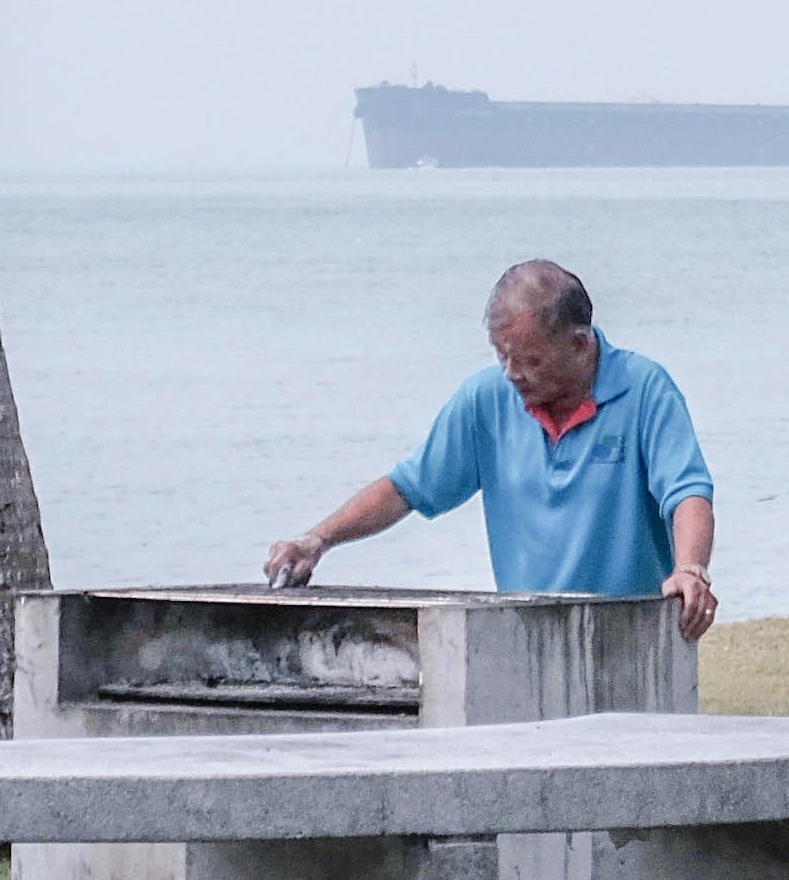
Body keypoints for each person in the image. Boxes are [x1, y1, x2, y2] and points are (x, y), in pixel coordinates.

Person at [264, 255, 717, 637]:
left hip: (633, 634)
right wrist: (317, 540)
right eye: (502, 355)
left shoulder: (644, 391)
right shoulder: (486, 400)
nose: (512, 373)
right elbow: (407, 487)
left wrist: (689, 570)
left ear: (580, 344)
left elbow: (687, 493)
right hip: (523, 635)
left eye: (530, 360)